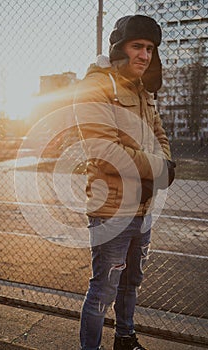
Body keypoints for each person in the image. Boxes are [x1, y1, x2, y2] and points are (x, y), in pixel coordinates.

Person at [73, 15, 176, 350]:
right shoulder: (96, 86)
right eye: (137, 46)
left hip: (143, 209)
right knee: (104, 290)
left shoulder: (144, 91)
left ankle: (125, 340)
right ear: (120, 49)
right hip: (113, 210)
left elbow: (159, 135)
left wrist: (159, 163)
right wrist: (157, 170)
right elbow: (104, 150)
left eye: (150, 48)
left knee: (131, 284)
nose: (145, 55)